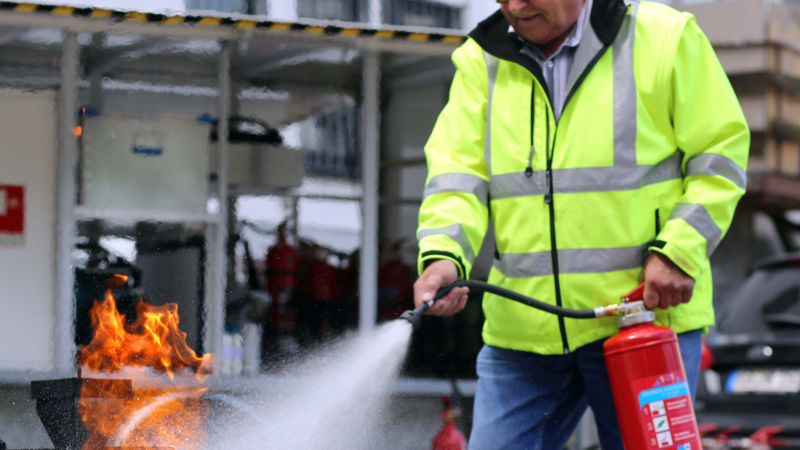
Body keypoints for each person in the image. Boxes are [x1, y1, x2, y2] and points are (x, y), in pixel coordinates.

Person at [414, 0, 749, 448]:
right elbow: (457, 178)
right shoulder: (482, 59)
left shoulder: (663, 38)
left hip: (642, 325)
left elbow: (720, 159)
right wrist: (442, 255)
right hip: (525, 335)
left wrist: (679, 253)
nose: (515, 6)